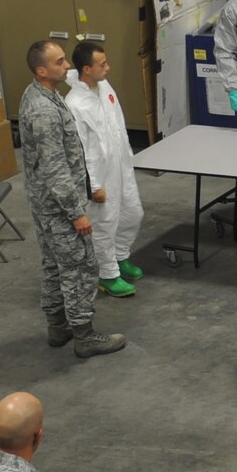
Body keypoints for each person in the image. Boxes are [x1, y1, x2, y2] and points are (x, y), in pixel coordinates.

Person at [19, 39, 125, 359]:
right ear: (42, 70)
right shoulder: (43, 111)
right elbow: (55, 168)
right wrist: (76, 212)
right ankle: (84, 334)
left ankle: (58, 326)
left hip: (45, 202)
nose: (67, 67)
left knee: (53, 263)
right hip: (59, 206)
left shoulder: (42, 94)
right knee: (79, 265)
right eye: (60, 62)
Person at [64, 42, 145, 299]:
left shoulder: (103, 86)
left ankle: (120, 256)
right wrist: (94, 185)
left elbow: (117, 124)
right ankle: (108, 275)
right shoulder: (75, 103)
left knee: (133, 213)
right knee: (104, 224)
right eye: (102, 64)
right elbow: (81, 149)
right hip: (100, 173)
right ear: (87, 69)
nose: (108, 68)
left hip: (121, 165)